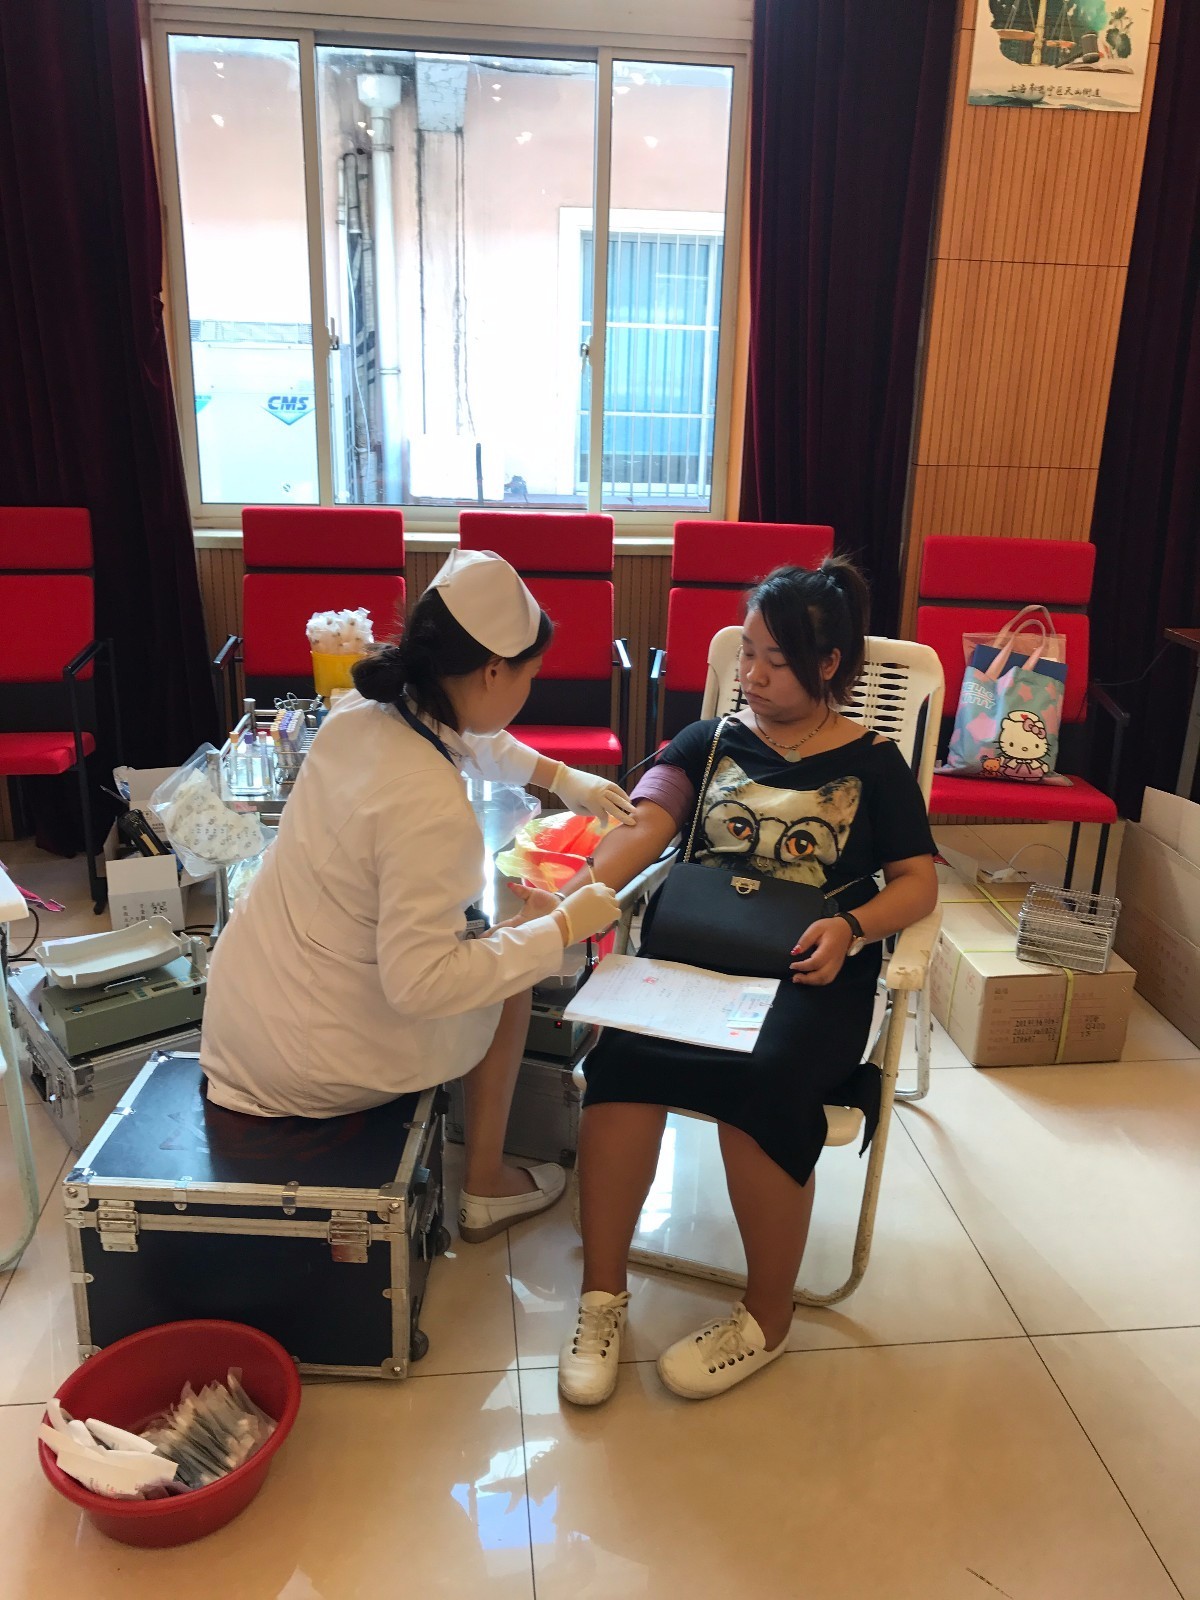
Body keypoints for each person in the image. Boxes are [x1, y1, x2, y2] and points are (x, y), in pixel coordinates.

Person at [556, 558, 939, 1405]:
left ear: (828, 664)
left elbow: (919, 883)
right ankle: (601, 1297)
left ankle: (767, 1318)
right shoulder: (711, 741)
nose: (751, 676)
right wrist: (571, 891)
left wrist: (852, 927)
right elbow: (647, 820)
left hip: (810, 972)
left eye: (774, 660)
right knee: (622, 1059)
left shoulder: (876, 765)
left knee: (764, 1078)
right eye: (748, 655)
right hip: (695, 958)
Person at [201, 548, 628, 1243]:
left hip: (246, 1010)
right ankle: (486, 1184)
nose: (530, 689)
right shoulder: (430, 806)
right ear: (493, 671)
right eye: (530, 675)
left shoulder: (360, 711)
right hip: (311, 1057)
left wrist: (561, 776)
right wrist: (556, 930)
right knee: (513, 965)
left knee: (499, 939)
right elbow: (420, 984)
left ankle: (483, 1167)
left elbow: (465, 737)